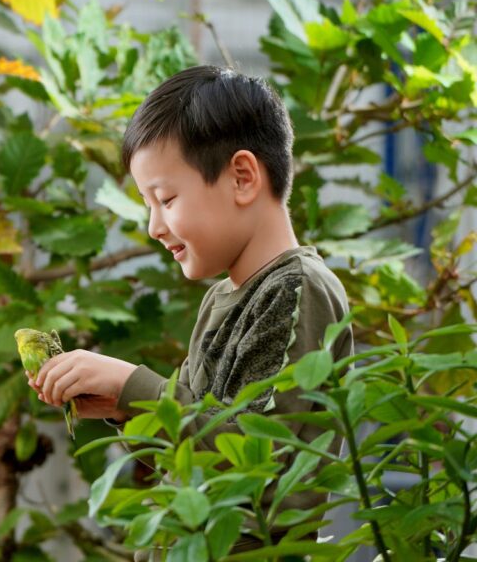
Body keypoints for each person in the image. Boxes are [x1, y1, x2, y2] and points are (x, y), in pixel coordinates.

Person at [30, 65, 352, 558]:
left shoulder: (295, 289)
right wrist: (128, 406)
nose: (155, 226)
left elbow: (252, 459)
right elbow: (191, 455)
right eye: (148, 205)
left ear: (242, 177)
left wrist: (136, 387)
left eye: (166, 199)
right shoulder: (223, 297)